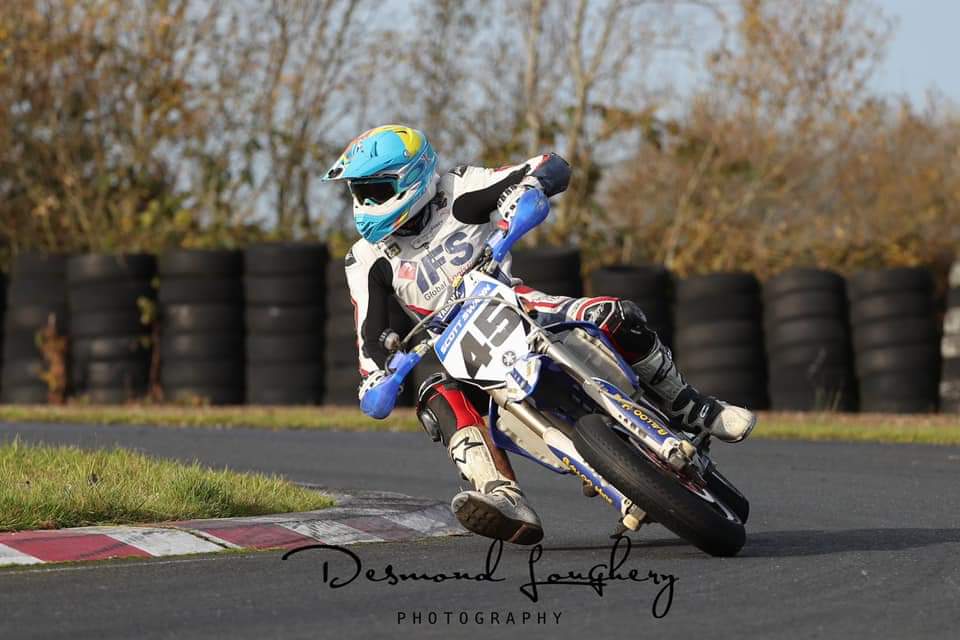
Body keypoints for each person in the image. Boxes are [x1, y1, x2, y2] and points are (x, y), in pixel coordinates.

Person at [322, 124, 756, 546]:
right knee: (436, 393)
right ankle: (500, 493)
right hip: (457, 350)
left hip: (520, 302)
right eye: (358, 193)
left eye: (373, 191)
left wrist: (528, 192)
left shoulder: (458, 191)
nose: (363, 204)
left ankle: (690, 406)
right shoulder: (365, 258)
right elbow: (371, 334)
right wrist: (378, 378)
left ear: (412, 178)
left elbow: (548, 165)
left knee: (611, 313)